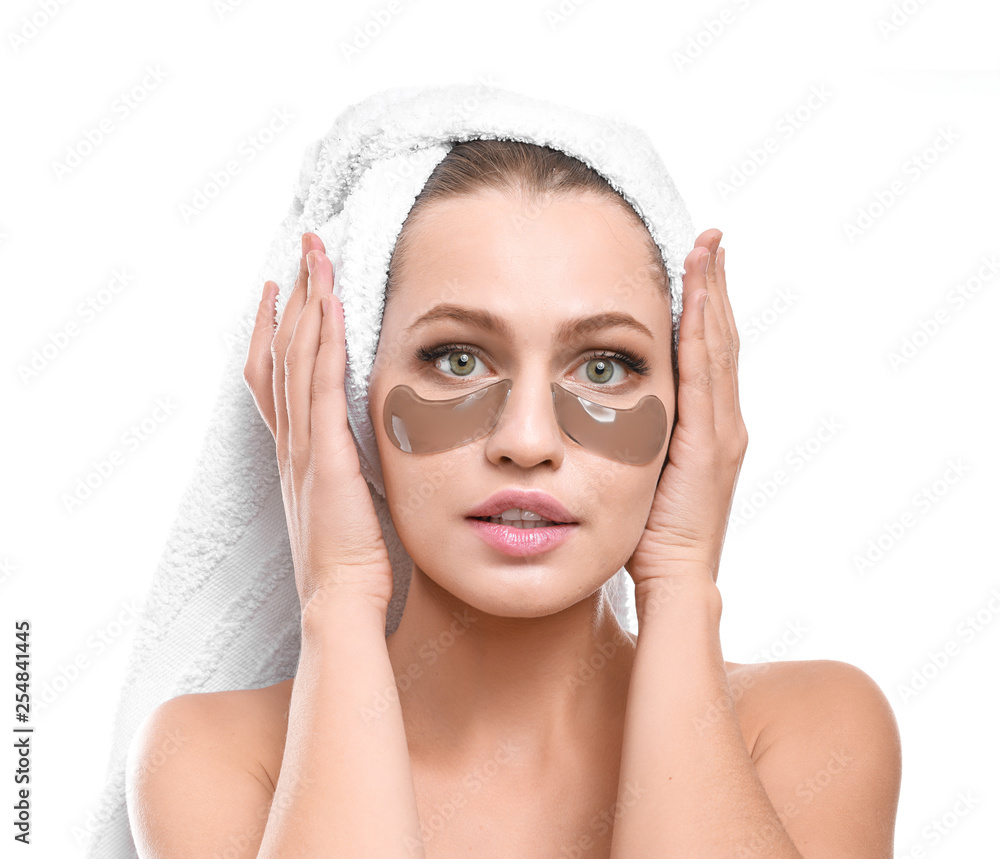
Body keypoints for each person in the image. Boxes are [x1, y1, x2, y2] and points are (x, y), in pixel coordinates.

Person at [126, 139, 901, 857]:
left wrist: (682, 577)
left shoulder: (811, 730)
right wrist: (339, 592)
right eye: (456, 358)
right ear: (348, 391)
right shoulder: (220, 758)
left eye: (604, 367)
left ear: (691, 406)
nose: (527, 439)